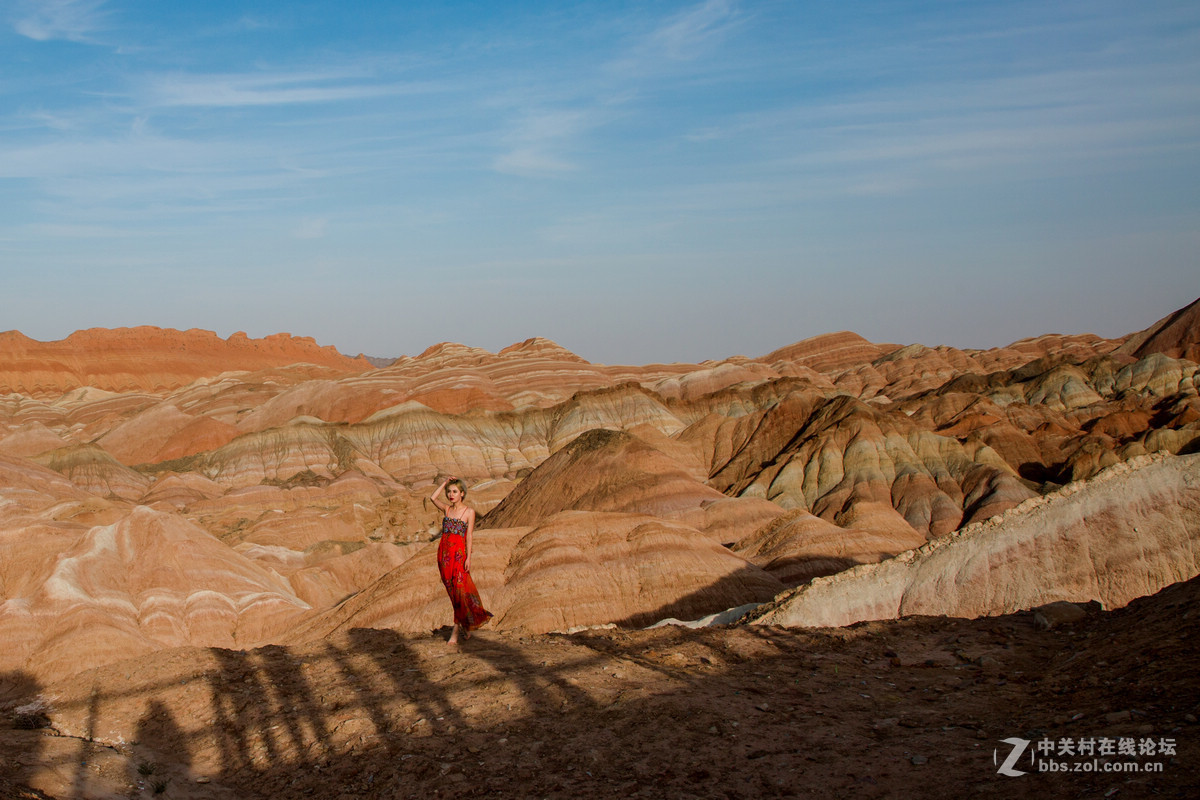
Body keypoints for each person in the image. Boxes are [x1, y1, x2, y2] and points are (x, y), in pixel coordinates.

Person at [429, 476, 493, 644]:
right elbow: (432, 498)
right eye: (449, 492)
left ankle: (455, 633)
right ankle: (465, 626)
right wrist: (444, 482)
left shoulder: (469, 512)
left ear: (462, 494)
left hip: (459, 557)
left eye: (455, 492)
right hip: (444, 556)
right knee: (452, 593)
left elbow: (469, 536)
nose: (451, 495)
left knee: (459, 592)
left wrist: (468, 557)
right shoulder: (447, 510)